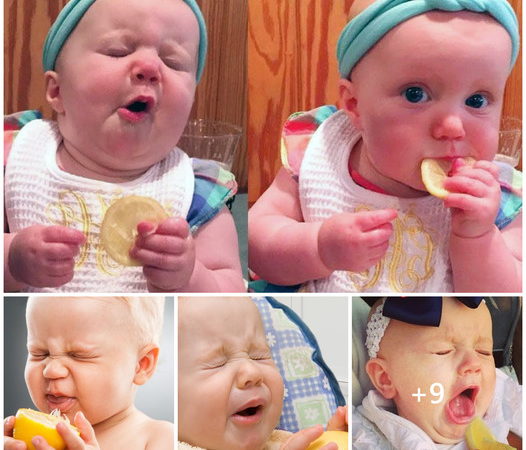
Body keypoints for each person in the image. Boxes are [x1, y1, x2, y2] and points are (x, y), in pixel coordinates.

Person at [248, 0, 522, 293]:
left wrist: (478, 238)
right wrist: (317, 247)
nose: (454, 127)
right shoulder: (319, 153)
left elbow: (513, 295)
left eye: (477, 100)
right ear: (355, 105)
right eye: (415, 94)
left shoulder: (496, 195)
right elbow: (255, 242)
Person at [4, 0, 245, 293]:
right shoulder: (15, 159)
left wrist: (190, 278)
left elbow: (231, 294)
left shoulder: (197, 193)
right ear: (57, 91)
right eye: (117, 50)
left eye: (173, 62)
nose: (150, 67)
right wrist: (11, 260)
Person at [3, 296, 173, 450]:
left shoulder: (159, 438)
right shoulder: (25, 437)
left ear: (141, 365)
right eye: (40, 353)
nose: (51, 370)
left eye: (78, 355)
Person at [178, 296, 348, 450]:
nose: (252, 372)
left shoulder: (283, 443)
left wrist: (332, 439)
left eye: (259, 356)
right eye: (218, 363)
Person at [353, 297, 522, 449]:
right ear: (386, 378)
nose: (473, 363)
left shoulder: (507, 400)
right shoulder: (367, 436)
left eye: (483, 351)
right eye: (443, 351)